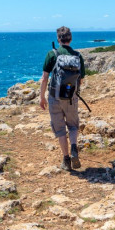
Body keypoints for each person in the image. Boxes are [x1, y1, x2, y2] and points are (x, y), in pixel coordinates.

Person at [39, 26, 86, 171]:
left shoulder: (52, 54)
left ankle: (66, 160)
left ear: (58, 39)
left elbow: (44, 78)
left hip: (55, 96)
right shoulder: (78, 56)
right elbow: (81, 79)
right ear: (70, 39)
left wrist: (42, 97)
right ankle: (73, 148)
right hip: (71, 97)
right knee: (73, 126)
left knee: (60, 129)